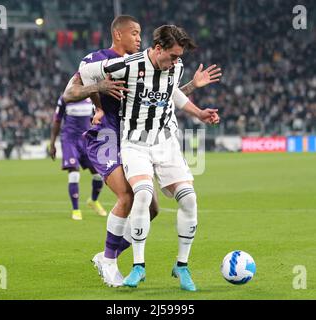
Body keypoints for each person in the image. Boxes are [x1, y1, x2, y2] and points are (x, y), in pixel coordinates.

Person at [79, 24, 220, 291]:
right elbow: (85, 73)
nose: (177, 62)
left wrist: (198, 112)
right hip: (134, 143)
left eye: (179, 57)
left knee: (189, 198)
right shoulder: (128, 64)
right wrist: (99, 101)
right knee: (141, 195)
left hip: (165, 141)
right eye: (173, 56)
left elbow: (172, 93)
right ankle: (138, 267)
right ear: (157, 49)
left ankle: (182, 266)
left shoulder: (174, 68)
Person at [49, 96, 108, 220]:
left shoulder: (91, 98)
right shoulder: (65, 98)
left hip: (87, 139)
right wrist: (52, 143)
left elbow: (97, 117)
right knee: (74, 173)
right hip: (70, 140)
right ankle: (76, 210)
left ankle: (93, 200)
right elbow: (57, 120)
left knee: (98, 174)